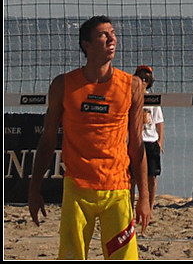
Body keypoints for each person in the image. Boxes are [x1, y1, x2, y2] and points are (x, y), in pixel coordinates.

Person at [28, 15, 151, 260]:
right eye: (103, 34)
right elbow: (47, 140)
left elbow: (137, 145)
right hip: (77, 188)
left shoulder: (132, 85)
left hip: (117, 189)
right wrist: (34, 190)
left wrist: (145, 198)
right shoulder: (64, 84)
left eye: (113, 33)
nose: (112, 38)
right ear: (86, 44)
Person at [133, 65, 164, 212]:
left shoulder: (153, 99)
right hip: (135, 142)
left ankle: (150, 207)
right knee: (132, 177)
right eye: (141, 77)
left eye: (146, 78)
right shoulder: (130, 97)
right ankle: (130, 206)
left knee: (152, 177)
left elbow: (159, 122)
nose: (143, 80)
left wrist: (160, 142)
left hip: (151, 141)